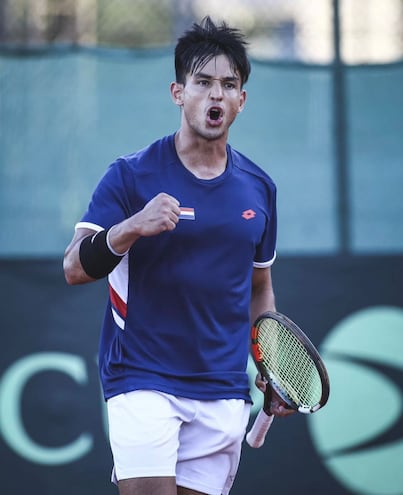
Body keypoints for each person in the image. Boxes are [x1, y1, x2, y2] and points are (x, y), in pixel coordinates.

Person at [64, 16, 293, 495]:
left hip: (223, 390)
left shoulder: (260, 189)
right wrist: (130, 228)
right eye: (203, 82)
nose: (216, 95)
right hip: (141, 378)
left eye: (229, 85)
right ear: (178, 93)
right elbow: (74, 268)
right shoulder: (129, 176)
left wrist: (270, 366)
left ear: (241, 101)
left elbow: (259, 288)